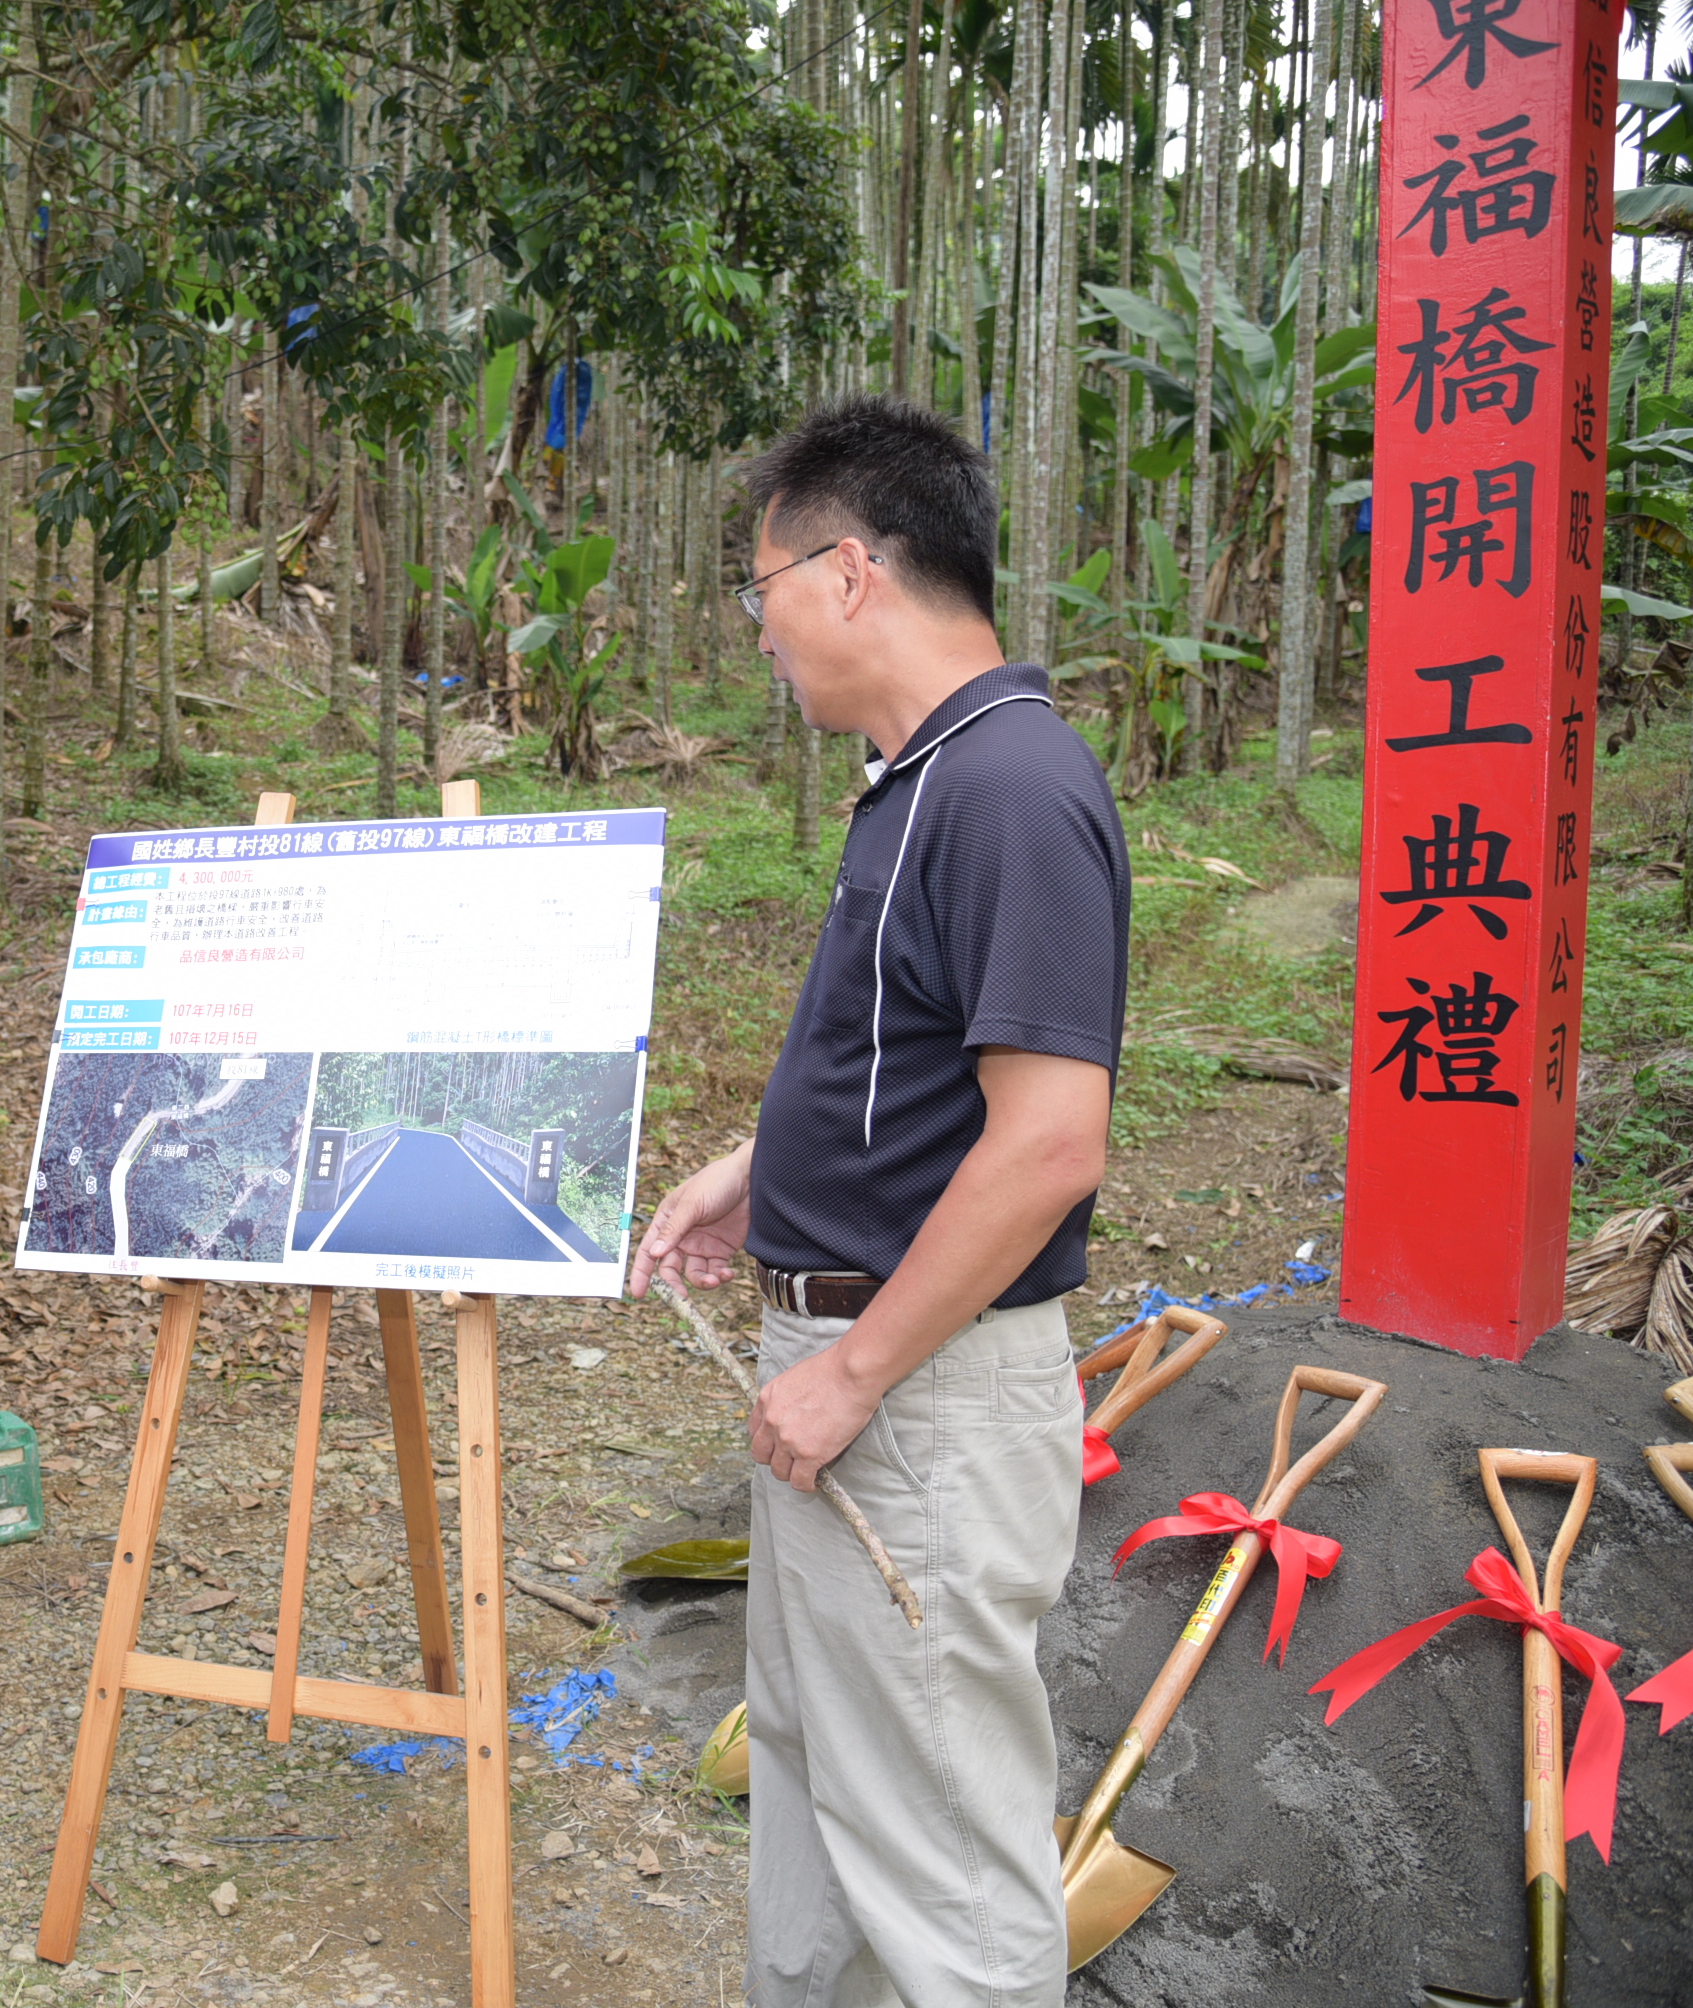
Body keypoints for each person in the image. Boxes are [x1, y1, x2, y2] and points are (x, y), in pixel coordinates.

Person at [628, 397, 1125, 2008]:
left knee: (938, 1851)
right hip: (853, 1383)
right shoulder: (919, 781)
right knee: (824, 1787)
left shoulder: (1011, 792)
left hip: (915, 1401)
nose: (760, 631)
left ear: (847, 572)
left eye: (759, 586)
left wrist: (851, 1369)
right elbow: (911, 1073)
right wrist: (757, 1175)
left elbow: (1047, 1143)